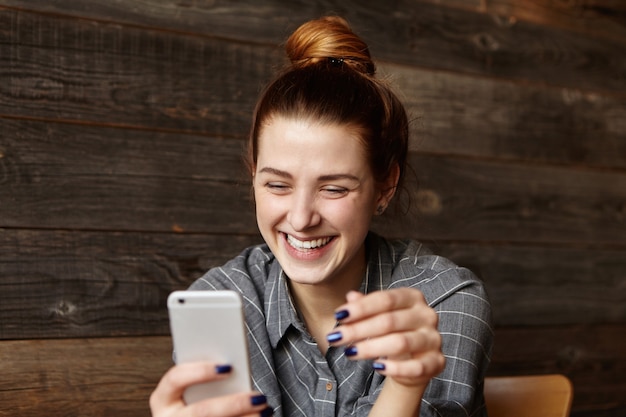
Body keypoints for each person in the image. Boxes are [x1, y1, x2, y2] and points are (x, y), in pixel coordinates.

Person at [150, 15, 493, 417]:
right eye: (277, 185)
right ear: (253, 176)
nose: (300, 219)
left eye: (334, 189)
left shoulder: (445, 300)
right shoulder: (219, 303)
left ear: (385, 186)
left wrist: (406, 384)